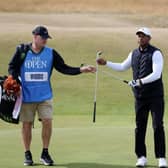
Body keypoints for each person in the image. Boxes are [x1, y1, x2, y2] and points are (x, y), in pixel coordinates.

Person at [8, 25, 96, 166]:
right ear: (35, 36)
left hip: (45, 95)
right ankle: (27, 154)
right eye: (43, 38)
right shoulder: (22, 50)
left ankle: (45, 152)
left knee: (47, 122)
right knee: (27, 124)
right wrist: (14, 80)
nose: (45, 41)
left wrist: (81, 69)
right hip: (26, 95)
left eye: (46, 38)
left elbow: (63, 68)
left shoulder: (51, 53)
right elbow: (12, 67)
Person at [97, 27, 167, 168]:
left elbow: (156, 74)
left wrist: (139, 81)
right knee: (140, 127)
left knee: (157, 125)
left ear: (149, 38)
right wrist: (106, 63)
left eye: (144, 36)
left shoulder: (156, 53)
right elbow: (123, 66)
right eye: (139, 36)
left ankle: (161, 158)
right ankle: (141, 157)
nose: (141, 38)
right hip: (140, 97)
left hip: (155, 96)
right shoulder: (133, 53)